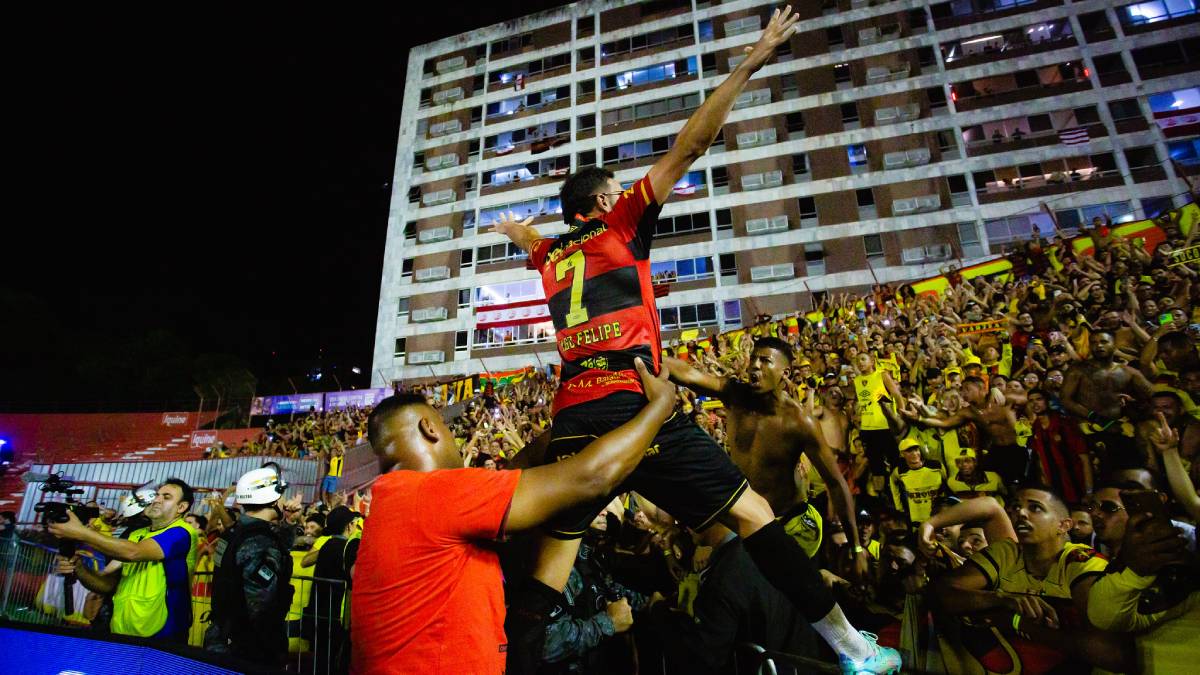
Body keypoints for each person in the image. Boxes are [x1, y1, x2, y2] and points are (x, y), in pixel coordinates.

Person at [493, 9, 899, 672]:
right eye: (616, 190)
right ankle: (851, 647)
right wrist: (748, 62)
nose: (627, 192)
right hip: (633, 401)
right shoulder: (618, 224)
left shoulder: (547, 255)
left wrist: (520, 233)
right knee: (754, 513)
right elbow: (690, 145)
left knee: (556, 552)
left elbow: (535, 239)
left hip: (573, 412)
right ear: (601, 203)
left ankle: (514, 663)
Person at [350, 359, 677, 674]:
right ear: (430, 427)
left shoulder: (395, 500)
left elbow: (512, 471)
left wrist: (571, 425)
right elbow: (592, 477)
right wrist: (659, 407)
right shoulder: (435, 491)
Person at [934, 485, 1132, 671]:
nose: (1020, 513)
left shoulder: (1082, 561)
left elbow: (1110, 653)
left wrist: (1016, 622)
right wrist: (1002, 600)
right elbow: (941, 595)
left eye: (1035, 508)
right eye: (1015, 507)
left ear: (1064, 525)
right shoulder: (1006, 552)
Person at [648, 523, 819, 675]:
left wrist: (659, 612)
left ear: (710, 515)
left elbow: (702, 657)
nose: (685, 525)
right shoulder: (772, 542)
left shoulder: (726, 574)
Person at [49, 478, 199, 642]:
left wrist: (81, 533)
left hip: (162, 635)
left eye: (166, 497)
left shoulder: (182, 533)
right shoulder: (135, 535)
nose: (156, 499)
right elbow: (107, 586)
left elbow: (134, 552)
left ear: (181, 507)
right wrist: (79, 568)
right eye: (156, 494)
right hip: (121, 631)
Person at [205, 465, 297, 666]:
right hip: (247, 649)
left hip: (222, 635)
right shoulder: (259, 542)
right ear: (272, 499)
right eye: (281, 495)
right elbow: (260, 606)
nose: (284, 500)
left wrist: (289, 522)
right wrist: (273, 650)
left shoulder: (235, 531)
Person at [901, 376, 1027, 484]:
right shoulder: (969, 412)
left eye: (968, 389)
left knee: (1020, 485)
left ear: (982, 388)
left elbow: (1033, 398)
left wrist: (995, 389)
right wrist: (919, 417)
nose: (964, 393)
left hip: (1017, 449)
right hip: (997, 451)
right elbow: (944, 423)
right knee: (995, 485)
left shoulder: (1004, 399)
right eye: (962, 390)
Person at [1060, 331, 1155, 474]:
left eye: (1104, 342)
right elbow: (1066, 400)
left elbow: (1153, 395)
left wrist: (1134, 402)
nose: (1098, 346)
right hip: (1089, 428)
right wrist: (1097, 419)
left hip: (1121, 428)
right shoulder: (1077, 370)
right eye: (1093, 342)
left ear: (1114, 345)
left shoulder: (1128, 371)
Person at [888, 438, 945, 526]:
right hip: (917, 520)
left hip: (938, 517)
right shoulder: (900, 471)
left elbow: (946, 481)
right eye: (909, 451)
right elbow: (893, 482)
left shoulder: (936, 466)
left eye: (916, 449)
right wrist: (899, 507)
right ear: (902, 454)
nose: (914, 453)